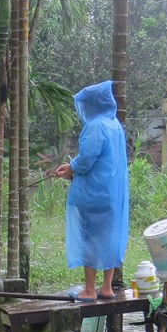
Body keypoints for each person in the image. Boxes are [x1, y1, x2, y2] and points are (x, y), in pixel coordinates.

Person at [55, 80, 130, 302]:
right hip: (113, 194)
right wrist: (71, 166)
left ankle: (89, 289)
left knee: (89, 237)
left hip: (94, 194)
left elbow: (86, 160)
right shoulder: (114, 124)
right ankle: (106, 287)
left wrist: (71, 168)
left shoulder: (95, 126)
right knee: (108, 237)